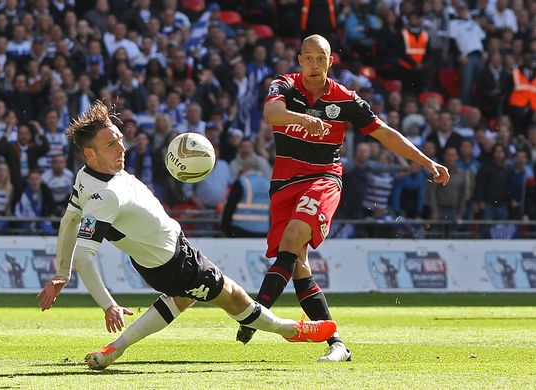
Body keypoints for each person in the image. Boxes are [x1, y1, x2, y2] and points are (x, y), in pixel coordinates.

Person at [35, 101, 338, 370]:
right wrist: (108, 304)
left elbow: (69, 219)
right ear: (90, 153)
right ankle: (292, 331)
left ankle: (114, 349)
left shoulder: (86, 177)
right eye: (112, 144)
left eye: (119, 138)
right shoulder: (106, 196)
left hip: (157, 261)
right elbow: (86, 256)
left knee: (180, 300)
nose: (122, 147)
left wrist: (62, 273)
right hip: (177, 261)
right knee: (233, 298)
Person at [235, 34, 450, 362]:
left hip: (323, 179)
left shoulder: (345, 98)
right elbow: (272, 115)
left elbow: (385, 133)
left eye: (320, 58)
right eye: (308, 57)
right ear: (299, 60)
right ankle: (337, 343)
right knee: (298, 266)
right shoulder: (284, 85)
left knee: (293, 238)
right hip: (283, 184)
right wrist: (304, 118)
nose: (314, 64)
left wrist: (427, 162)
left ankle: (257, 314)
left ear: (330, 61)